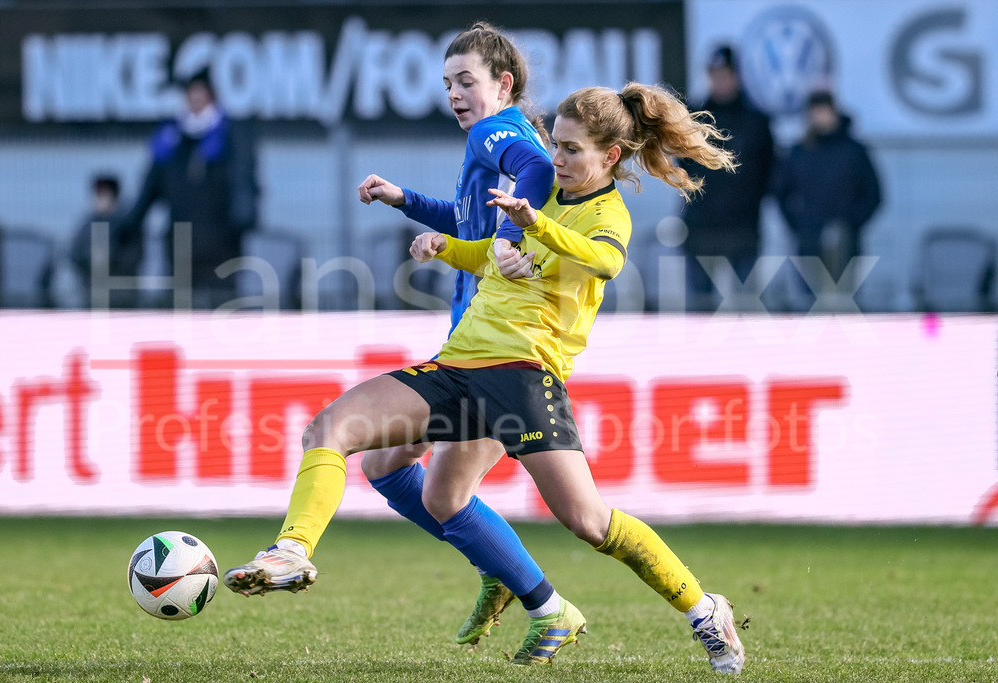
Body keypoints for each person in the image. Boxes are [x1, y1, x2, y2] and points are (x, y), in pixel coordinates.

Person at [225, 82, 746, 674]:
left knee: (589, 522)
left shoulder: (607, 214)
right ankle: (291, 550)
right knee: (332, 430)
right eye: (556, 145)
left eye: (572, 149)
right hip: (459, 363)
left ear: (611, 156)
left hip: (524, 377)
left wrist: (534, 224)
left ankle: (704, 609)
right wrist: (447, 247)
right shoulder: (541, 191)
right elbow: (492, 254)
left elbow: (604, 260)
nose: (557, 159)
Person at [351, 22, 559, 650]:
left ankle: (542, 601)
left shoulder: (495, 133)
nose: (454, 94)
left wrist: (513, 238)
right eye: (447, 84)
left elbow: (538, 170)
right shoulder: (492, 141)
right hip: (474, 347)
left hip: (496, 356)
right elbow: (467, 220)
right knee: (389, 465)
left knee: (441, 493)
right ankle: (502, 570)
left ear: (504, 83)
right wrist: (402, 199)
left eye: (466, 81)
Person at [120, 69, 259, 309]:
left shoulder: (231, 135)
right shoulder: (171, 137)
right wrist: (130, 223)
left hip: (220, 241)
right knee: (180, 307)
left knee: (223, 306)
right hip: (180, 241)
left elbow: (242, 182)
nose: (195, 100)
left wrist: (242, 221)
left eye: (200, 94)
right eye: (190, 94)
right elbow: (151, 186)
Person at [679, 45, 774, 311]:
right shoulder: (694, 118)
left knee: (747, 307)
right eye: (715, 75)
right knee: (700, 309)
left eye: (725, 74)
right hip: (701, 227)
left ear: (737, 76)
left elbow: (768, 171)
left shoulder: (756, 122)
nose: (720, 81)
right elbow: (682, 168)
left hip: (743, 227)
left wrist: (748, 202)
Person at [773, 89, 882, 309]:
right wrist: (798, 225)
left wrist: (852, 223)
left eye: (824, 112)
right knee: (810, 305)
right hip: (809, 242)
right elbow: (780, 192)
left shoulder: (854, 151)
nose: (820, 118)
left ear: (834, 112)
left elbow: (873, 194)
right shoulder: (800, 152)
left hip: (847, 244)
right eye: (816, 112)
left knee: (845, 304)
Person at [69, 174, 142, 308]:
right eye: (98, 194)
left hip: (122, 297)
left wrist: (107, 259)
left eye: (104, 194)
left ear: (115, 196)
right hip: (92, 294)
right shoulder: (86, 225)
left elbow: (133, 258)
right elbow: (74, 255)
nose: (100, 198)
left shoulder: (127, 225)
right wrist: (91, 261)